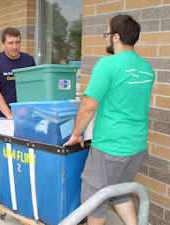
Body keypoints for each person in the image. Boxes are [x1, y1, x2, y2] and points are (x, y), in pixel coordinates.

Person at [63, 15, 155, 225]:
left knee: (94, 199)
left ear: (116, 37)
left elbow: (88, 105)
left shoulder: (108, 64)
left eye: (107, 34)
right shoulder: (147, 69)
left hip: (110, 147)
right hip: (136, 146)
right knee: (120, 191)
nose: (106, 39)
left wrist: (76, 134)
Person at [0, 27, 36, 198]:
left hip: (22, 115)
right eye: (11, 43)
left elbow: (33, 85)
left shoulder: (28, 60)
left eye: (18, 42)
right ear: (3, 44)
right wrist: (10, 115)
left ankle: (17, 182)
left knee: (19, 151)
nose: (15, 46)